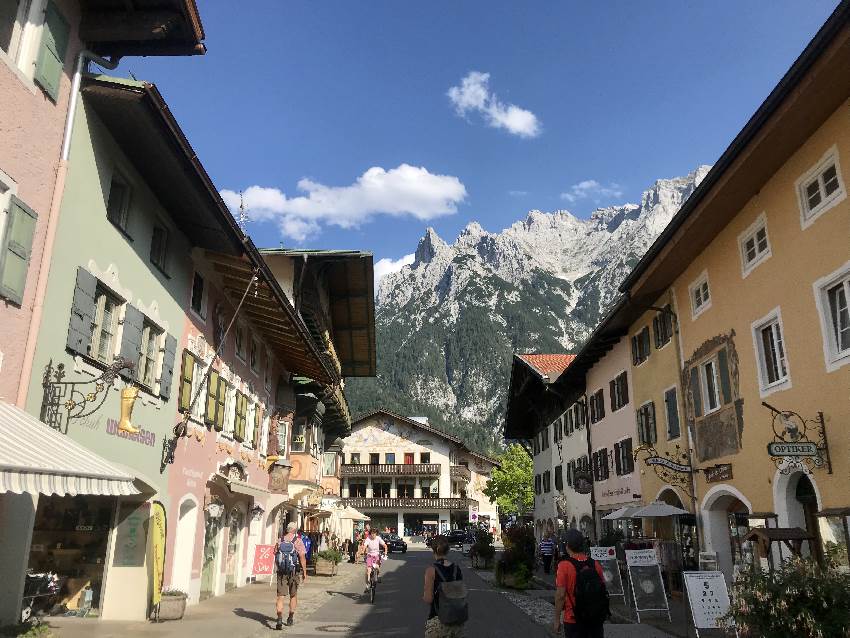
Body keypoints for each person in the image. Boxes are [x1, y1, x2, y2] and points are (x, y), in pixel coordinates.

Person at [553, 529, 608, 638]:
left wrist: (557, 620)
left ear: (567, 545)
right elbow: (602, 588)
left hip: (573, 619)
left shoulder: (564, 566)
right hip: (595, 618)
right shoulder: (594, 563)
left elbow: (560, 596)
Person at [422, 535, 466, 638]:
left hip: (438, 621)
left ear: (433, 550)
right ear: (448, 550)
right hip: (456, 621)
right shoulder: (456, 569)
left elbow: (428, 599)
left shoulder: (431, 571)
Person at [275, 522, 307, 630]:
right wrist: (305, 572)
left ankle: (279, 619)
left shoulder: (280, 540)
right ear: (294, 530)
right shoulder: (298, 541)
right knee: (293, 595)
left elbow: (275, 553)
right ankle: (290, 618)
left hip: (281, 572)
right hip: (293, 572)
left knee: (280, 597)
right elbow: (302, 557)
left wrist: (279, 567)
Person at [358, 527, 387, 592]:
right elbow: (365, 546)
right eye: (371, 534)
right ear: (370, 534)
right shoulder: (368, 539)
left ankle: (378, 575)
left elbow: (385, 545)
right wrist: (363, 551)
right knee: (368, 571)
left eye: (374, 534)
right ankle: (367, 586)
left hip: (376, 555)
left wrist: (385, 552)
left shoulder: (378, 538)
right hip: (369, 555)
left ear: (376, 534)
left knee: (377, 567)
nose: (373, 535)